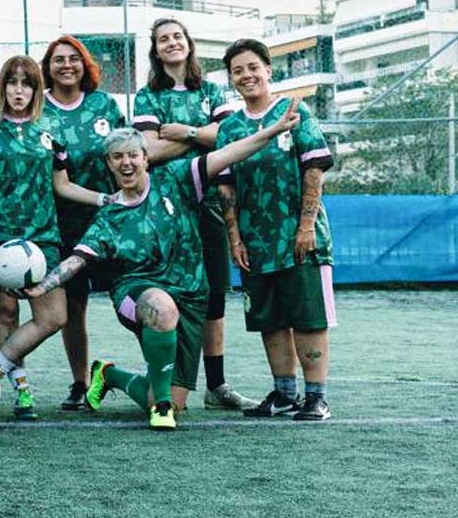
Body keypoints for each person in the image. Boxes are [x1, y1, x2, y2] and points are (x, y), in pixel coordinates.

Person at [26, 109, 300, 431]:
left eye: (132, 155)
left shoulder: (176, 178)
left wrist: (273, 131)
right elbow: (77, 260)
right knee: (161, 307)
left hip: (191, 295)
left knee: (174, 399)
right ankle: (162, 406)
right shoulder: (108, 218)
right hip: (137, 294)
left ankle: (109, 375)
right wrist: (42, 286)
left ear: (145, 158)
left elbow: (228, 152)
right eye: (117, 157)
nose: (126, 163)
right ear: (109, 164)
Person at [0, 56, 108, 420]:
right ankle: (22, 392)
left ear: (37, 89)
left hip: (42, 237)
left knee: (54, 316)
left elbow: (62, 184)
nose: (18, 90)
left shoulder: (50, 129)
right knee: (3, 314)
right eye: (12, 82)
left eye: (27, 83)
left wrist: (104, 198)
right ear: (2, 86)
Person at [133, 18, 252, 411]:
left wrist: (181, 131)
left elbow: (228, 137)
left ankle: (216, 386)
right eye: (163, 39)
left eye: (177, 37)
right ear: (155, 48)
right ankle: (167, 379)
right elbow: (147, 151)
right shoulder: (147, 96)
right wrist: (202, 137)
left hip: (211, 204)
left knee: (215, 294)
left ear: (189, 43)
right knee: (170, 293)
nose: (172, 43)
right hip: (166, 207)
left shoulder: (212, 89)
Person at [216, 39, 336, 421]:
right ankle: (285, 393)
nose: (246, 75)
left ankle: (316, 397)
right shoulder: (230, 127)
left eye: (253, 67)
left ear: (269, 69)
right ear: (231, 79)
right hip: (256, 241)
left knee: (308, 317)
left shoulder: (294, 111)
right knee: (269, 319)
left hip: (300, 239)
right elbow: (226, 186)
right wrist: (235, 238)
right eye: (238, 70)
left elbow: (314, 170)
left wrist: (305, 227)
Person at [39, 35, 125, 409]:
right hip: (61, 225)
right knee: (73, 308)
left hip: (110, 220)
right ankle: (81, 382)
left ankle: (158, 377)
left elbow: (128, 154)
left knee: (130, 296)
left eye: (74, 58)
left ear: (85, 63)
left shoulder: (104, 104)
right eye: (58, 59)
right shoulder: (38, 107)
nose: (66, 65)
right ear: (48, 66)